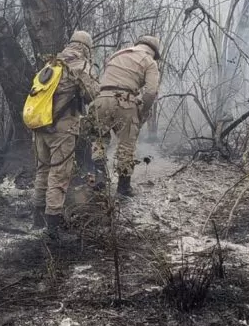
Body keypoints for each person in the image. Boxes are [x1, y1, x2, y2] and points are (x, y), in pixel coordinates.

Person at [33, 31, 98, 239]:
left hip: (40, 127)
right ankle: (53, 226)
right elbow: (93, 93)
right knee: (59, 174)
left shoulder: (51, 65)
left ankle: (37, 219)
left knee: (42, 170)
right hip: (62, 128)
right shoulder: (80, 65)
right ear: (86, 48)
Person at [89, 35, 161, 197]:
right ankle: (123, 188)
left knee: (99, 140)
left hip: (101, 100)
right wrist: (142, 111)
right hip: (125, 101)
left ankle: (100, 177)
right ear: (154, 51)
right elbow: (151, 92)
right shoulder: (150, 62)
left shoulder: (117, 55)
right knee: (126, 145)